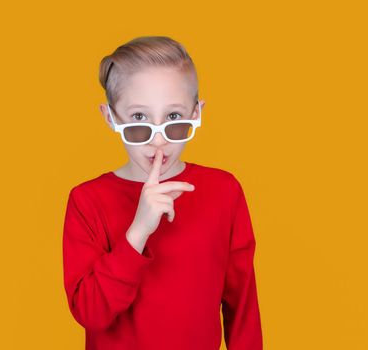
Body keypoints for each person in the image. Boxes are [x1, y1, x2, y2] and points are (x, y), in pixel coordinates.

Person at [62, 36, 263, 349]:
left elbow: (242, 304)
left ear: (196, 114)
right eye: (139, 120)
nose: (158, 141)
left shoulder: (224, 191)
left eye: (173, 119)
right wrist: (138, 231)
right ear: (110, 118)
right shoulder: (87, 201)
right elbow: (91, 313)